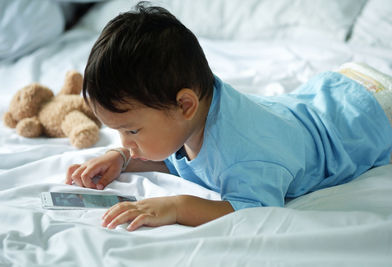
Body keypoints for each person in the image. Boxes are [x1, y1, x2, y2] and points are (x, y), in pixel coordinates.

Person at [65, 3, 392, 231]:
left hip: (367, 113)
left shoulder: (244, 157)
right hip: (331, 90)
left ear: (185, 105)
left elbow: (255, 209)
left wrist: (177, 207)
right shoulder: (192, 113)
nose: (126, 142)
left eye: (132, 130)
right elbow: (176, 158)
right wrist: (122, 159)